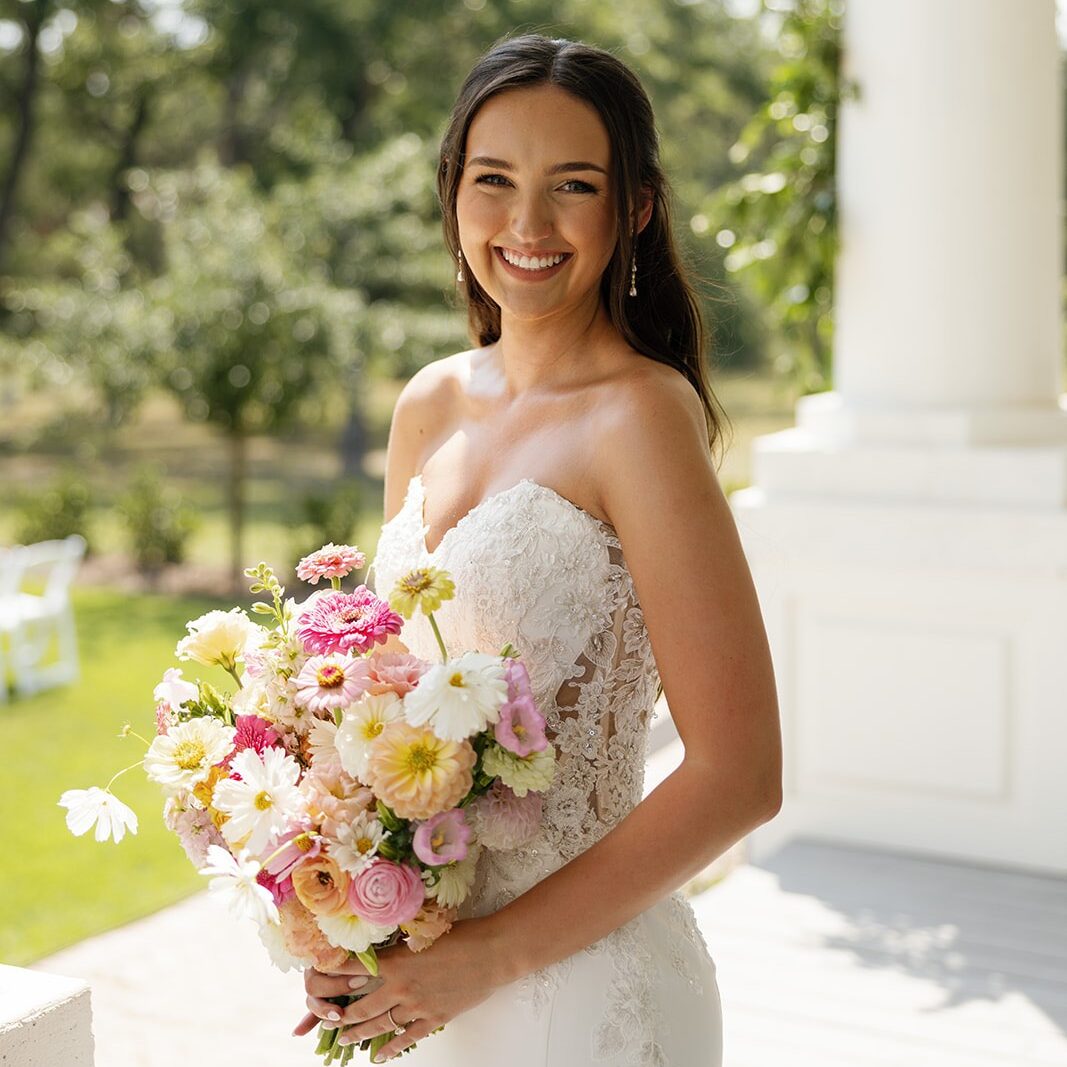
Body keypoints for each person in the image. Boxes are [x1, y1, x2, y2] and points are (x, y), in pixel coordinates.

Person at [293, 31, 782, 1066]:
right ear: (451, 193)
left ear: (633, 208)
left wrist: (491, 954)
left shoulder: (641, 419)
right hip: (424, 976)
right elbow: (389, 698)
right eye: (491, 181)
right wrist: (339, 903)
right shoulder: (427, 403)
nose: (524, 223)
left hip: (577, 992)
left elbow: (741, 775)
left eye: (570, 184)